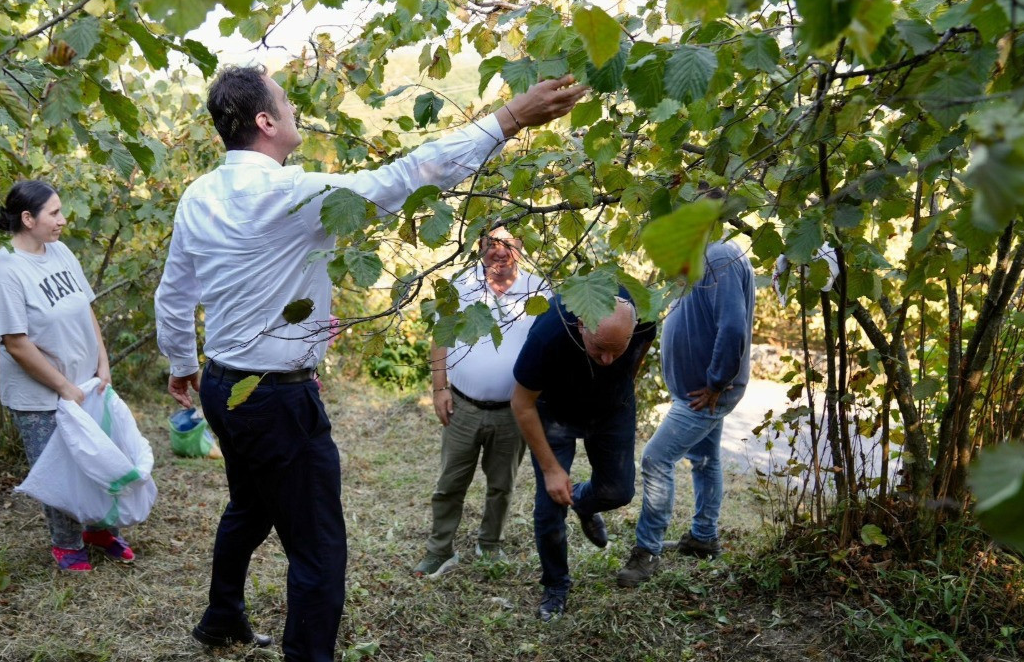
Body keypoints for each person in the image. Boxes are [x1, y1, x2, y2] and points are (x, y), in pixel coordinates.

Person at [154, 65, 586, 661]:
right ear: (265, 121)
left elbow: (174, 293)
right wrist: (509, 119)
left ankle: (221, 618)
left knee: (250, 506)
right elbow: (407, 176)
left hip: (225, 386)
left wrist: (182, 361)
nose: (293, 109)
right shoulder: (290, 194)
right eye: (285, 101)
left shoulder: (199, 195)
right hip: (275, 399)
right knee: (319, 551)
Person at [0, 180, 134, 572]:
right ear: (28, 219)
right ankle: (66, 543)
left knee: (96, 460)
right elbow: (16, 343)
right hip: (42, 396)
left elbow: (86, 309)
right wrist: (62, 387)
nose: (63, 220)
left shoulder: (61, 252)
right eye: (54, 213)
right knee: (60, 471)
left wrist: (102, 362)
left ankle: (100, 530)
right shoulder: (5, 271)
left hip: (85, 387)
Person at [616, 240, 755, 588]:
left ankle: (646, 551)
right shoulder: (701, 254)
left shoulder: (719, 255)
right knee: (705, 460)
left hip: (705, 395)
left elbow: (734, 326)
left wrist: (717, 382)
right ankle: (703, 537)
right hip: (697, 393)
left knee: (655, 459)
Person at [511, 294, 655, 620]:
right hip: (554, 411)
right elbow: (521, 404)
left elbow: (641, 349)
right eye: (599, 347)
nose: (607, 359)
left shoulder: (644, 317)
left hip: (611, 409)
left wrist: (620, 380)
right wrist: (550, 469)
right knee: (550, 506)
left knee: (619, 491)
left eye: (616, 350)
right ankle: (556, 585)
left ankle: (584, 503)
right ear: (581, 326)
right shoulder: (549, 333)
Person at [415, 226, 547, 577]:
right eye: (491, 244)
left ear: (521, 247)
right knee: (449, 484)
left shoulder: (539, 289)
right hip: (463, 407)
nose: (499, 252)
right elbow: (441, 336)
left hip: (513, 411)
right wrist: (439, 388)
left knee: (502, 484)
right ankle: (439, 550)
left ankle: (490, 545)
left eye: (508, 245)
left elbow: (550, 343)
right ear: (480, 247)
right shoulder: (462, 284)